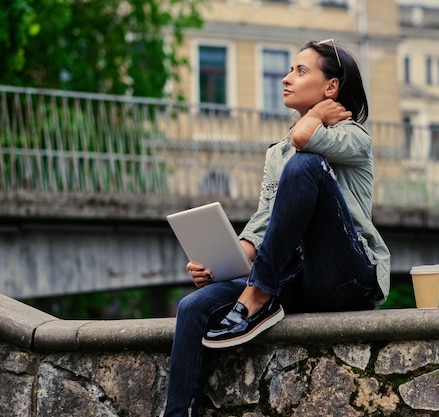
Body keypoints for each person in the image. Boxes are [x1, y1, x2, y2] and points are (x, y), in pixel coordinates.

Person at [162, 39, 390, 417]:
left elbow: (304, 141)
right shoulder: (276, 153)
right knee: (193, 306)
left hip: (348, 277)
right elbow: (264, 221)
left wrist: (315, 115)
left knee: (304, 167)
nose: (286, 79)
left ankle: (258, 297)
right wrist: (223, 262)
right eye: (288, 70)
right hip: (295, 277)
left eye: (300, 71)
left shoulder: (354, 136)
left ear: (331, 87)